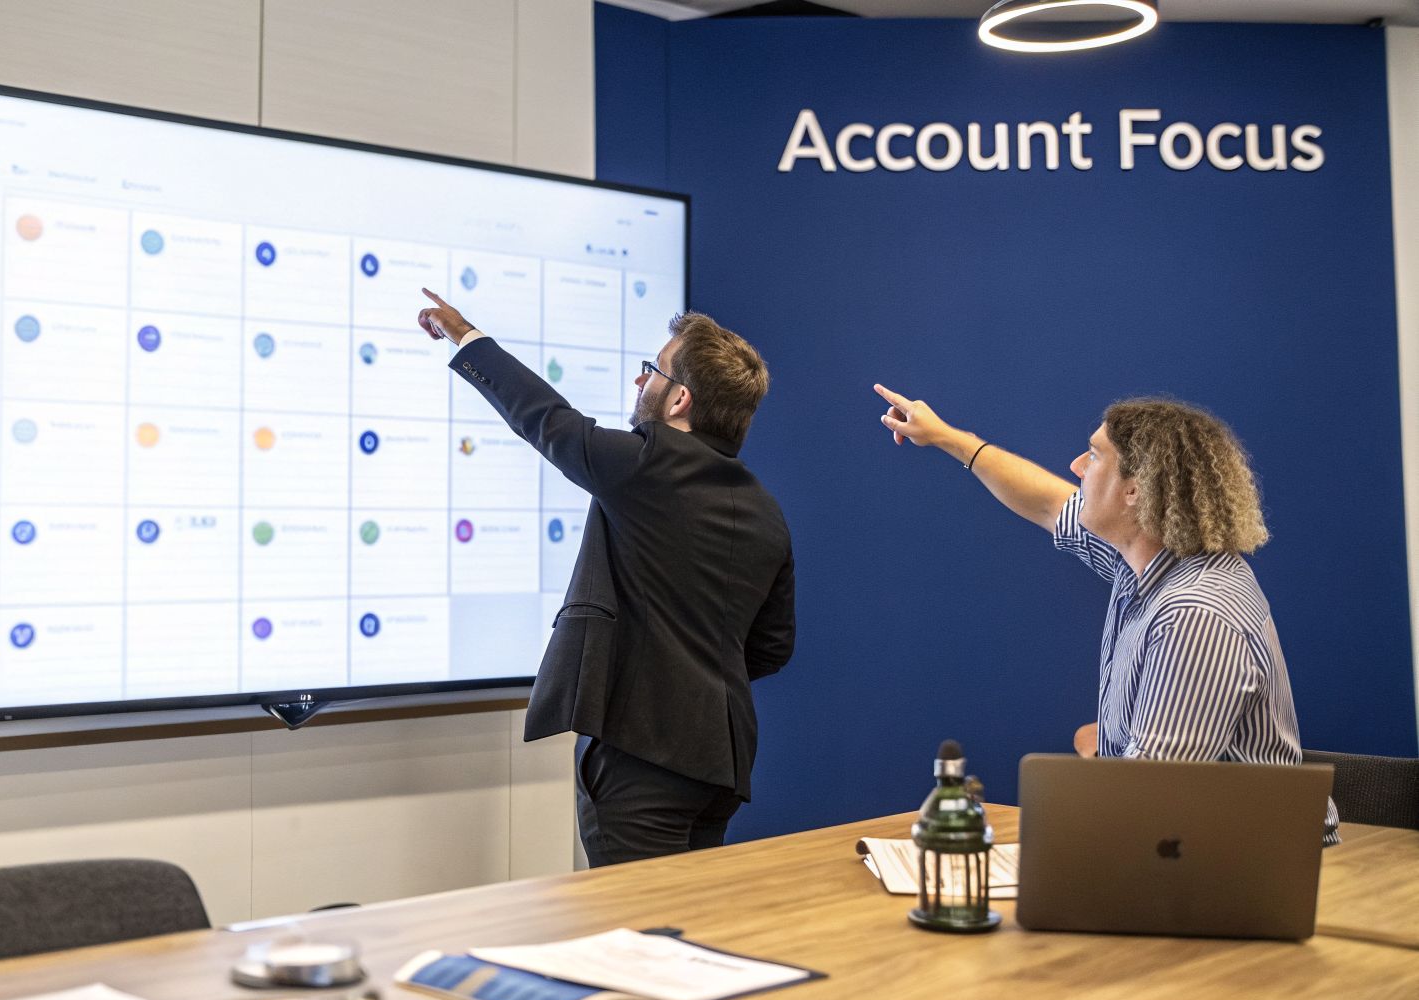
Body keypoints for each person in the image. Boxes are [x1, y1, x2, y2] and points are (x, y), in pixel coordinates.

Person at [417, 288, 795, 866]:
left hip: (644, 758)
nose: (641, 381)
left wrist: (467, 337)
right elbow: (771, 648)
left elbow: (547, 421)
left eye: (654, 371)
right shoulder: (766, 510)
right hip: (721, 765)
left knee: (636, 919)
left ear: (680, 399)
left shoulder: (648, 465)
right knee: (693, 915)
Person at [872, 386, 1340, 844]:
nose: (1076, 466)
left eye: (1094, 456)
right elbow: (1047, 503)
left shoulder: (1195, 611)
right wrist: (944, 436)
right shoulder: (1142, 563)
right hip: (1194, 849)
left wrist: (1096, 755)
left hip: (1262, 866)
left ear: (1135, 489)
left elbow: (1145, 801)